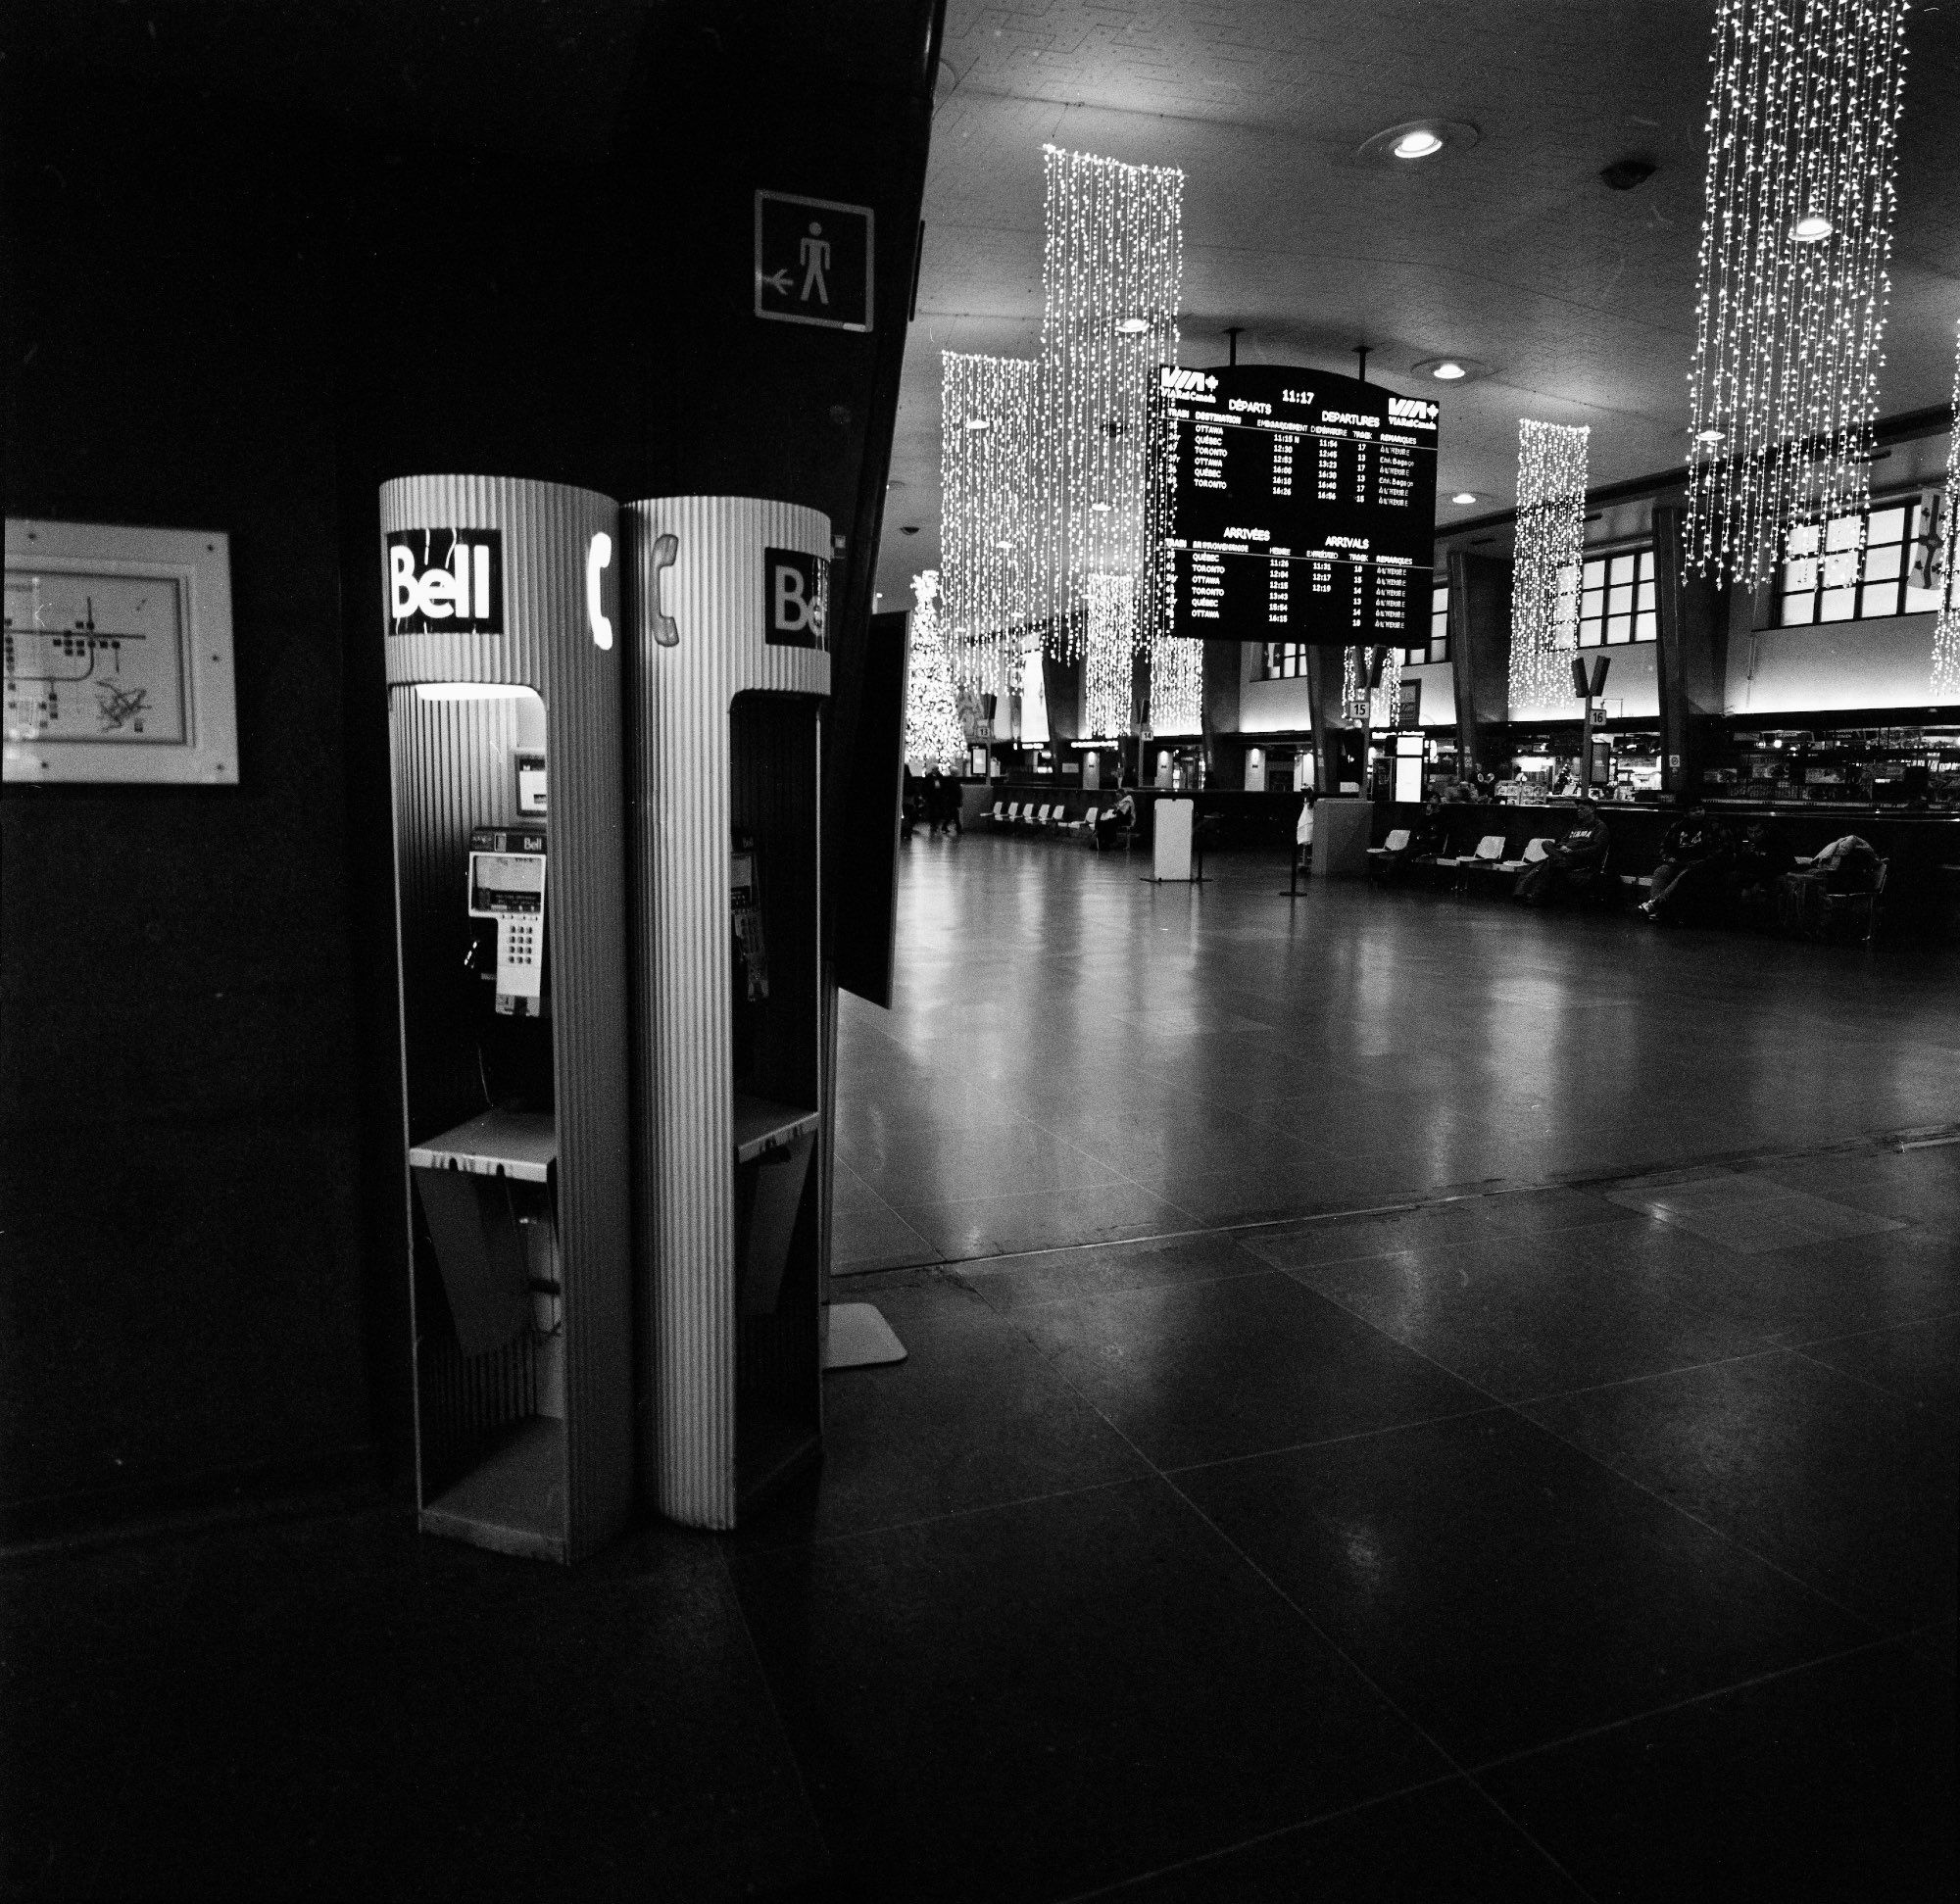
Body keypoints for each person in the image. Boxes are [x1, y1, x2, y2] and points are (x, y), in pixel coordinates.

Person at [1640, 806, 1731, 924]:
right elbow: (1664, 846)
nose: (1698, 812)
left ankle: (1656, 904)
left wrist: (1706, 859)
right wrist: (1668, 857)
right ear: (1686, 813)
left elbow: (1723, 849)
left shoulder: (1714, 825)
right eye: (1694, 810)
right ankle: (1656, 908)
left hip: (1701, 864)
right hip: (1679, 862)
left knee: (1685, 873)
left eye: (1700, 809)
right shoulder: (1678, 826)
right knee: (1661, 871)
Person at [1514, 797, 1610, 906]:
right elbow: (1562, 841)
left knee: (1545, 864)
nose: (1579, 811)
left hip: (1581, 859)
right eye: (1578, 809)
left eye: (1582, 809)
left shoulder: (1599, 827)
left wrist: (1573, 852)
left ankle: (1532, 895)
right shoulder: (1576, 826)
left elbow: (1597, 849)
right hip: (1565, 857)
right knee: (1546, 843)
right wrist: (1562, 846)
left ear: (1592, 809)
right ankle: (1559, 861)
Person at [1295, 785, 1318, 877]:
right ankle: (1304, 863)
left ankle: (1308, 863)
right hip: (1305, 824)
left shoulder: (1313, 801)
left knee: (1309, 844)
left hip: (1309, 823)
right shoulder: (1305, 801)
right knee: (1305, 844)